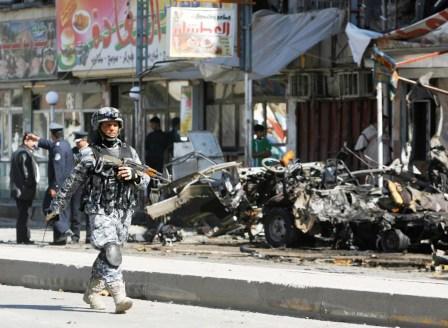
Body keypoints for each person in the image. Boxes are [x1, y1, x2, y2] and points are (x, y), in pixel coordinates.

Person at [45, 107, 149, 313]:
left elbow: (145, 179)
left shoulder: (130, 152)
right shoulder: (89, 154)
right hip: (99, 209)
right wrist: (56, 207)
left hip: (124, 211)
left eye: (115, 125)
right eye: (107, 125)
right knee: (111, 250)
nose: (112, 128)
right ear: (99, 128)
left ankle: (91, 292)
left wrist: (134, 175)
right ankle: (119, 296)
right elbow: (71, 183)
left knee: (109, 254)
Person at [27, 122, 75, 245]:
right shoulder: (64, 144)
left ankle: (64, 229)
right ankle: (60, 239)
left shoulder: (58, 147)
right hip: (67, 184)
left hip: (59, 184)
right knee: (61, 210)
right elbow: (50, 145)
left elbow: (58, 168)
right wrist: (37, 139)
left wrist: (55, 187)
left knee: (48, 208)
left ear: (52, 134)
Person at [9, 133, 39, 244]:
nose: (34, 143)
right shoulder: (24, 153)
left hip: (18, 189)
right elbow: (27, 174)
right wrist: (31, 186)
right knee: (26, 214)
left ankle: (21, 238)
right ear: (26, 141)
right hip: (24, 190)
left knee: (22, 214)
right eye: (32, 141)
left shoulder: (17, 152)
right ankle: (25, 238)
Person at [70, 130, 90, 243]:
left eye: (79, 142)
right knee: (75, 212)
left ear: (84, 140)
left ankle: (90, 237)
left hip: (89, 185)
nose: (77, 144)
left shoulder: (92, 151)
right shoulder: (73, 151)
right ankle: (75, 236)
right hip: (76, 186)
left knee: (89, 212)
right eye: (76, 142)